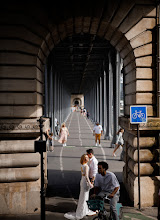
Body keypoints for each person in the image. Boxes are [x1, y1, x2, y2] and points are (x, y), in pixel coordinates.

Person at [64, 154, 96, 219]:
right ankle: (83, 211)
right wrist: (90, 184)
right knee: (85, 197)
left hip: (82, 180)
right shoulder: (86, 166)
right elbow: (87, 176)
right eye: (86, 157)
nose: (87, 158)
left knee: (82, 196)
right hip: (85, 182)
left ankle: (83, 210)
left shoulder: (82, 165)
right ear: (84, 159)